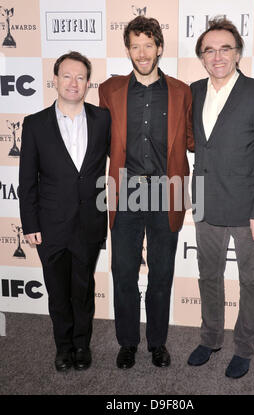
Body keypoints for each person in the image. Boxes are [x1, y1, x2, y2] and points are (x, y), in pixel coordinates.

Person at [99, 16, 194, 369]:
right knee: (123, 273)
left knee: (162, 274)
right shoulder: (109, 90)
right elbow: (104, 142)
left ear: (159, 48)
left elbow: (192, 139)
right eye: (135, 45)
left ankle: (157, 342)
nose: (142, 53)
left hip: (167, 191)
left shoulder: (183, 91)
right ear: (127, 49)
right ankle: (127, 342)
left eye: (148, 45)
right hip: (124, 192)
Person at [188, 17, 254, 378]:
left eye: (225, 48)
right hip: (206, 203)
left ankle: (244, 346)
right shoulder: (192, 91)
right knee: (208, 276)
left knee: (251, 280)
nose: (217, 56)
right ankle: (210, 338)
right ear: (202, 57)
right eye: (209, 50)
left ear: (237, 52)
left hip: (247, 207)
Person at [19, 51, 111, 372]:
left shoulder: (103, 120)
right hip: (50, 227)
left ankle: (82, 345)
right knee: (58, 294)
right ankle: (63, 347)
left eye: (81, 77)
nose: (74, 83)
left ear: (88, 83)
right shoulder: (34, 125)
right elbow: (27, 181)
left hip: (89, 224)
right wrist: (29, 224)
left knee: (83, 291)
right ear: (55, 79)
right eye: (67, 76)